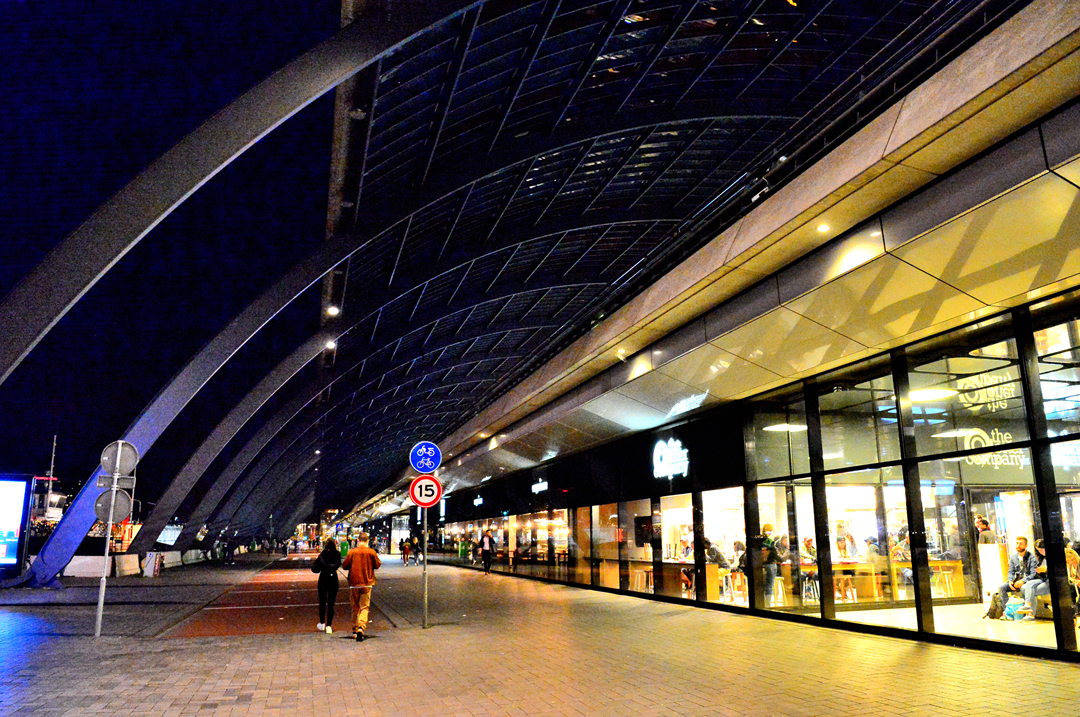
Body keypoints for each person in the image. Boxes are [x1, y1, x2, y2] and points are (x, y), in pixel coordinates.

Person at [342, 531, 382, 641]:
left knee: (355, 606)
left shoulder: (351, 552)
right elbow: (377, 565)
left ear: (358, 540)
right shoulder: (371, 552)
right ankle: (361, 627)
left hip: (354, 583)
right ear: (367, 541)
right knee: (364, 607)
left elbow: (345, 566)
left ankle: (355, 629)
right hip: (367, 583)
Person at [997, 536, 1039, 619]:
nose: (1018, 545)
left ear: (1026, 545)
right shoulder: (1013, 557)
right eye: (1017, 543)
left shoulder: (1032, 557)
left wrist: (1023, 581)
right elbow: (1011, 571)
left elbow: (1033, 574)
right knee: (1001, 587)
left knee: (1025, 588)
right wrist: (1010, 580)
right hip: (1016, 580)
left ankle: (1026, 613)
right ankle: (1008, 612)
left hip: (1027, 581)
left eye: (1020, 544)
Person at [314, 537, 342, 634]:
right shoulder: (337, 554)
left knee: (322, 602)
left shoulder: (323, 554)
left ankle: (322, 623)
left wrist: (323, 564)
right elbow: (338, 564)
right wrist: (331, 567)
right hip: (333, 579)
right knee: (331, 603)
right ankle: (329, 626)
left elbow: (315, 567)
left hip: (323, 578)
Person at [1018, 538, 1049, 620]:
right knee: (1024, 587)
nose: (1041, 552)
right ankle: (1028, 607)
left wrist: (1046, 570)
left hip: (1049, 581)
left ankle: (1030, 612)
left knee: (1031, 590)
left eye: (1042, 550)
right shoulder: (1041, 558)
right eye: (1039, 550)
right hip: (1042, 579)